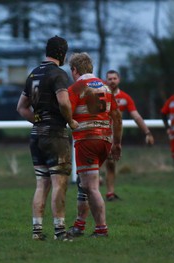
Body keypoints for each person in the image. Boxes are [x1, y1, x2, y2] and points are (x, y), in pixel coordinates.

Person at [16, 36, 78, 241]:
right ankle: (60, 232)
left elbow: (21, 107)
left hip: (36, 136)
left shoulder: (33, 74)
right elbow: (63, 102)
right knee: (59, 183)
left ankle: (37, 231)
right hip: (55, 135)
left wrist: (37, 121)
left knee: (42, 183)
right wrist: (70, 121)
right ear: (62, 53)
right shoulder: (58, 74)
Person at [67, 52, 122, 238]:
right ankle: (79, 225)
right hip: (105, 140)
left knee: (90, 186)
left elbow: (66, 110)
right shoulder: (106, 88)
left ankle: (101, 229)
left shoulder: (76, 88)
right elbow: (117, 117)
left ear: (74, 70)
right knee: (85, 184)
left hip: (87, 139)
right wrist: (117, 143)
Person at [104, 70, 154, 201]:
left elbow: (136, 116)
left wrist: (147, 132)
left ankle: (110, 193)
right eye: (109, 79)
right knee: (100, 163)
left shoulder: (125, 98)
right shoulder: (100, 94)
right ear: (106, 80)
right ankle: (92, 189)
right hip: (98, 133)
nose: (112, 81)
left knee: (111, 163)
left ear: (119, 80)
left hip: (113, 135)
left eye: (114, 78)